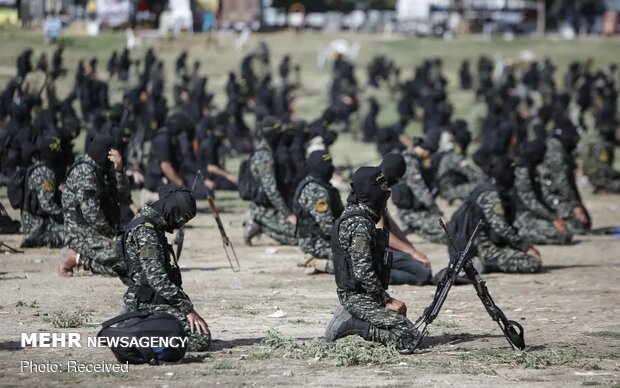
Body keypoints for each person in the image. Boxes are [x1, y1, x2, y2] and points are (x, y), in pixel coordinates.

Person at [325, 167, 419, 354]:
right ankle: (353, 324)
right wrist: (386, 300)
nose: (386, 192)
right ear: (370, 190)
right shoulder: (360, 224)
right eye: (382, 187)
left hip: (362, 294)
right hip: (356, 296)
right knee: (409, 339)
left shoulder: (361, 215)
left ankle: (353, 318)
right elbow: (362, 272)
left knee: (403, 322)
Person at [122, 188, 211, 352]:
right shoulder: (146, 231)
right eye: (181, 218)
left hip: (154, 299)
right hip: (145, 304)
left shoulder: (153, 225)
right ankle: (134, 334)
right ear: (172, 210)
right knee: (199, 338)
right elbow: (157, 279)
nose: (180, 224)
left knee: (198, 331)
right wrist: (187, 309)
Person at [451, 156, 542, 274]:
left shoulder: (487, 186)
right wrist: (525, 247)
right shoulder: (491, 194)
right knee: (532, 262)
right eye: (512, 172)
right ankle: (484, 265)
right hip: (482, 249)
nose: (514, 176)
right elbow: (501, 227)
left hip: (483, 244)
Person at [59, 134, 130, 276]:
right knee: (124, 265)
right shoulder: (85, 172)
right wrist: (111, 236)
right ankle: (77, 259)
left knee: (129, 254)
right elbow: (91, 214)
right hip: (81, 233)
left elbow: (123, 195)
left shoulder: (101, 169)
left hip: (97, 230)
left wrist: (119, 171)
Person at [379, 153, 432, 285]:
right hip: (371, 249)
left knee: (416, 263)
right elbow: (380, 231)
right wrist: (412, 252)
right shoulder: (374, 189)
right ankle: (375, 276)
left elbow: (389, 223)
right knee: (423, 274)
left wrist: (410, 247)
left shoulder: (380, 185)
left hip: (380, 247)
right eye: (397, 177)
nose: (397, 180)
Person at [243, 116, 297, 246]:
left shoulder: (270, 150)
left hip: (273, 207)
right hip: (265, 210)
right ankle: (258, 224)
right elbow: (271, 191)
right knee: (298, 237)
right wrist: (288, 214)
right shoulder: (265, 156)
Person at [293, 150, 344, 274]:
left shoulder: (323, 185)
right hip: (317, 243)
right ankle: (317, 263)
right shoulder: (316, 190)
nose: (330, 169)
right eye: (326, 165)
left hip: (323, 239)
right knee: (359, 263)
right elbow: (327, 226)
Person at [513, 140, 572, 245]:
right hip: (522, 216)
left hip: (532, 215)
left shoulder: (532, 169)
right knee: (560, 234)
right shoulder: (522, 170)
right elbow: (530, 201)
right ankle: (522, 235)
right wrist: (553, 218)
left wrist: (554, 217)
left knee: (567, 231)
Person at [538, 118, 591, 234]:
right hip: (549, 196)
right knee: (579, 226)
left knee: (585, 222)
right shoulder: (556, 151)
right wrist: (576, 206)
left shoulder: (557, 147)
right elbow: (563, 183)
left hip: (554, 194)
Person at [394, 130, 446, 244]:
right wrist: (437, 211)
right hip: (410, 213)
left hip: (414, 209)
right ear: (426, 150)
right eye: (430, 152)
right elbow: (420, 191)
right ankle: (408, 227)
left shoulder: (410, 157)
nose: (430, 156)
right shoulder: (410, 162)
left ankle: (409, 228)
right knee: (446, 233)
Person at [20, 134, 64, 248]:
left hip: (32, 221)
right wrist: (65, 215)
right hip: (38, 224)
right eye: (56, 149)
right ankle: (40, 239)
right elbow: (47, 205)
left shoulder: (39, 167)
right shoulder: (46, 173)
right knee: (73, 234)